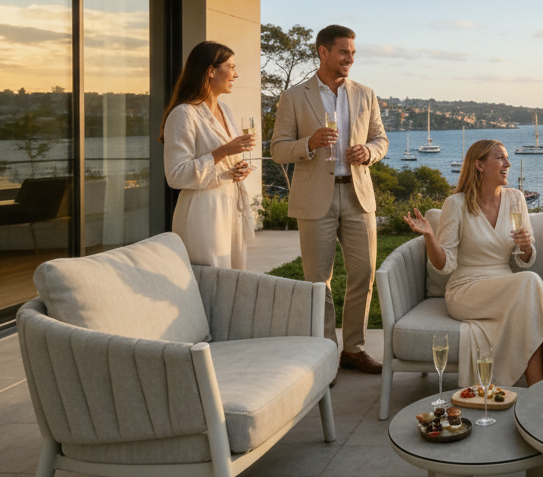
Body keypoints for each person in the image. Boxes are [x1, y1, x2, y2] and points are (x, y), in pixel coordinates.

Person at [270, 25, 389, 374]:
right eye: (343, 52)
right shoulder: (294, 97)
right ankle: (324, 357)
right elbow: (277, 149)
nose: (350, 58)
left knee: (364, 273)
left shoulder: (366, 94)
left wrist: (367, 152)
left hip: (357, 194)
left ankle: (353, 349)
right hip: (314, 197)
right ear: (323, 52)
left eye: (353, 52)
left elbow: (381, 139)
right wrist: (310, 142)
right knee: (317, 280)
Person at [403, 139, 543, 387]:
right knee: (531, 284)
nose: (508, 163)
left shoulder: (516, 199)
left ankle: (535, 390)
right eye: (500, 158)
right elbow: (444, 265)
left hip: (504, 285)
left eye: (507, 158)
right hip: (466, 290)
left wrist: (525, 246)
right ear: (479, 165)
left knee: (528, 313)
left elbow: (524, 261)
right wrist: (430, 237)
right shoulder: (456, 204)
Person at [161, 41, 257, 269]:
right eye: (231, 67)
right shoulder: (184, 113)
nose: (236, 74)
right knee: (210, 282)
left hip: (231, 209)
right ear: (211, 71)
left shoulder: (225, 110)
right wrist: (224, 151)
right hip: (204, 214)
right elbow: (175, 175)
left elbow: (225, 161)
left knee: (234, 282)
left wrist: (237, 170)